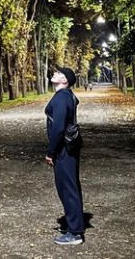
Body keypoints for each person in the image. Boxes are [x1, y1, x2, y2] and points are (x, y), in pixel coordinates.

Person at [45, 65, 84, 246]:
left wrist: (51, 152)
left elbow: (59, 128)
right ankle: (74, 227)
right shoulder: (68, 96)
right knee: (71, 187)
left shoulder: (61, 98)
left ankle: (75, 233)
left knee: (68, 189)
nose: (54, 73)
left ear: (65, 80)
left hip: (63, 150)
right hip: (70, 148)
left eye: (58, 73)